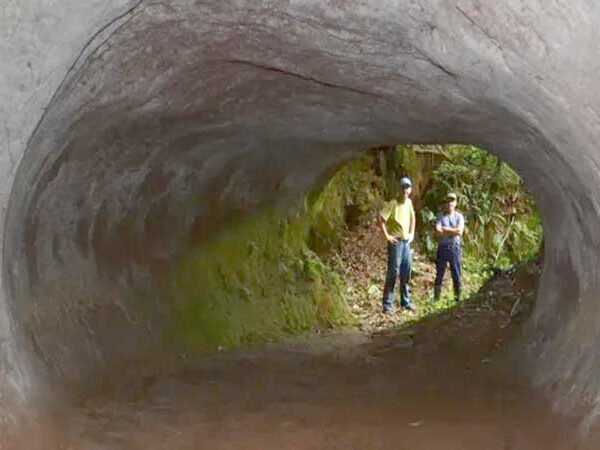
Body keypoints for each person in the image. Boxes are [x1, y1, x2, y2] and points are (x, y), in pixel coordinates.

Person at [378, 177, 417, 314]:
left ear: (410, 190)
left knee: (406, 271)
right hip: (396, 243)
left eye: (407, 187)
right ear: (399, 189)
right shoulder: (393, 203)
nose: (405, 190)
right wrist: (387, 236)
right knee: (393, 272)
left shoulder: (409, 203)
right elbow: (381, 218)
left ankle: (405, 302)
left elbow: (413, 217)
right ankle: (387, 304)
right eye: (403, 187)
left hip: (406, 243)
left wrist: (412, 233)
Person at [433, 192, 465, 303]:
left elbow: (460, 231)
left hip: (454, 248)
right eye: (448, 201)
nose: (450, 203)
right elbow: (437, 231)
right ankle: (436, 299)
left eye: (452, 201)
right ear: (445, 203)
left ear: (455, 203)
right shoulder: (440, 216)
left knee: (456, 273)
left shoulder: (459, 217)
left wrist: (445, 229)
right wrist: (452, 231)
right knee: (439, 274)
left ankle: (458, 298)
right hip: (442, 248)